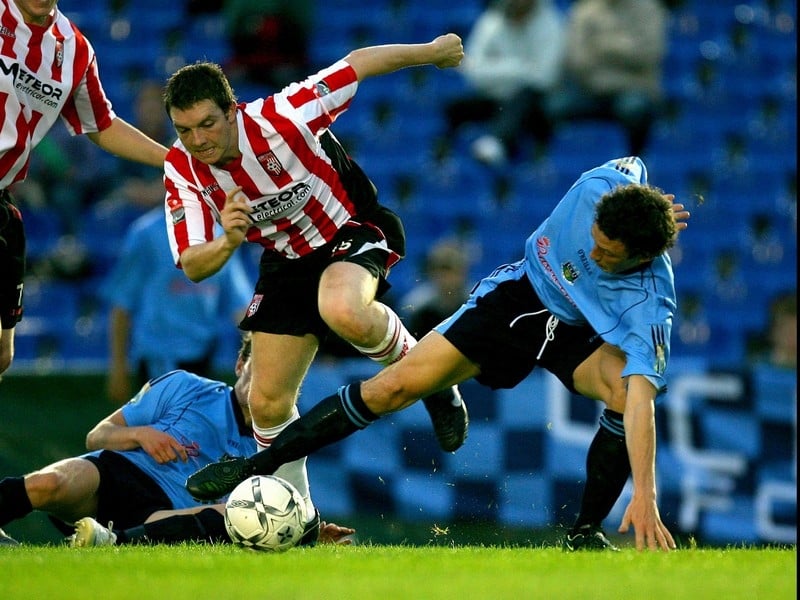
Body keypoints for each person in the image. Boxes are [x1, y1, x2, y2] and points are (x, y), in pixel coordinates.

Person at [187, 156, 687, 553]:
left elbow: (644, 401)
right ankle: (258, 464)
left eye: (608, 255)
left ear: (642, 257)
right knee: (393, 388)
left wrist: (645, 495)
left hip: (577, 333)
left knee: (623, 386)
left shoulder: (651, 304)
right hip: (516, 300)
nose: (594, 255)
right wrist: (655, 204)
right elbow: (634, 164)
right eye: (595, 241)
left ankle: (584, 531)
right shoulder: (606, 184)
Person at [162, 34, 470, 524]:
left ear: (232, 110)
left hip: (352, 226)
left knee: (342, 308)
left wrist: (432, 52)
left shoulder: (284, 114)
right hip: (286, 260)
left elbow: (358, 62)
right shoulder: (182, 168)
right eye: (184, 130)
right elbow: (193, 263)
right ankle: (299, 523)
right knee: (265, 402)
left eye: (207, 124)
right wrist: (226, 242)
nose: (199, 141)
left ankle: (431, 380)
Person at [0, 333, 354, 547]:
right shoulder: (185, 385)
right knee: (49, 484)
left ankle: (115, 543)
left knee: (232, 515)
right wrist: (142, 434)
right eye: (261, 366)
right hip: (114, 475)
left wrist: (308, 534)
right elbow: (98, 436)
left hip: (167, 514)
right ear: (240, 364)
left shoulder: (283, 443)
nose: (267, 381)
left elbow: (278, 509)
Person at [0, 0, 169, 377]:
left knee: (2, 354)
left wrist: (174, 160)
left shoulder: (73, 49)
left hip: (3, 204)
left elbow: (101, 125)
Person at [102, 206, 252, 405]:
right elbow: (122, 303)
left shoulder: (222, 236)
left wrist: (259, 357)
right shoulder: (147, 234)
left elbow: (240, 307)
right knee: (165, 431)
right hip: (160, 356)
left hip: (203, 355)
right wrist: (118, 367)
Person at [443, 0, 565, 167]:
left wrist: (496, 67)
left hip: (533, 103)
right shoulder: (491, 21)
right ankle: (445, 161)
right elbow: (472, 70)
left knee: (524, 97)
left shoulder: (551, 24)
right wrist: (520, 67)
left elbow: (545, 77)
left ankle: (496, 142)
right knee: (452, 107)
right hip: (494, 95)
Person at [545, 0, 667, 157]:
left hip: (633, 91)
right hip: (590, 91)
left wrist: (601, 47)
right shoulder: (584, 11)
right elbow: (577, 61)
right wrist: (624, 50)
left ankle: (636, 163)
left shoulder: (649, 9)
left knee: (634, 109)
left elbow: (649, 55)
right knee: (554, 106)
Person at [398, 238, 472, 340]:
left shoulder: (476, 305)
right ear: (431, 272)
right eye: (440, 271)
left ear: (463, 272)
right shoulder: (415, 309)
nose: (446, 278)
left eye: (450, 271)